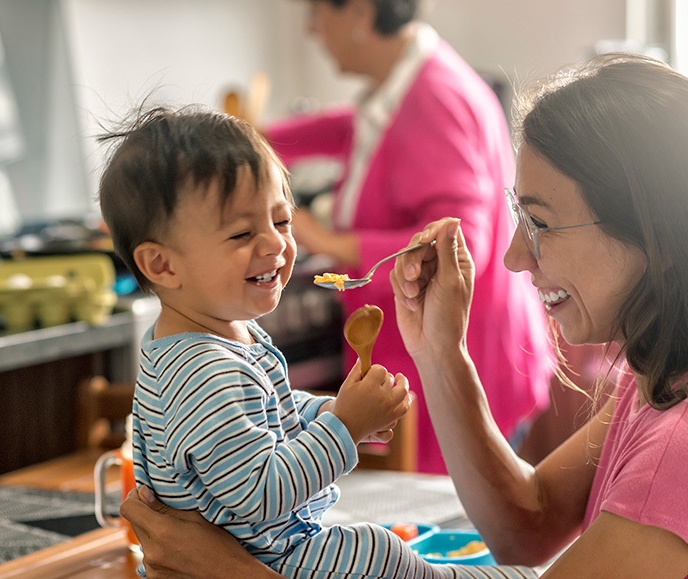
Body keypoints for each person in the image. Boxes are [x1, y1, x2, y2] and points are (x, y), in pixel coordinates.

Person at [121, 53, 688, 577]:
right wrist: (438, 349)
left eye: (538, 224)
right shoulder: (663, 381)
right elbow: (527, 522)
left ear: (654, 240)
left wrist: (226, 569)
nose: (514, 256)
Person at [97, 104, 535, 578]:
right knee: (376, 552)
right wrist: (344, 426)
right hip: (260, 561)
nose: (276, 245)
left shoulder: (221, 338)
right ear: (162, 266)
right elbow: (259, 495)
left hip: (259, 559)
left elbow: (269, 413)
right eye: (243, 232)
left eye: (282, 221)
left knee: (379, 551)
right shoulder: (203, 369)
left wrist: (328, 412)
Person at [265, 0, 553, 473]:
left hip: (467, 360)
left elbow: (461, 246)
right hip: (450, 359)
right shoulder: (407, 82)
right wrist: (249, 138)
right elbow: (351, 131)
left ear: (358, 12)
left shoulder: (436, 97)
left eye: (318, 12)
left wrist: (328, 242)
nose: (313, 30)